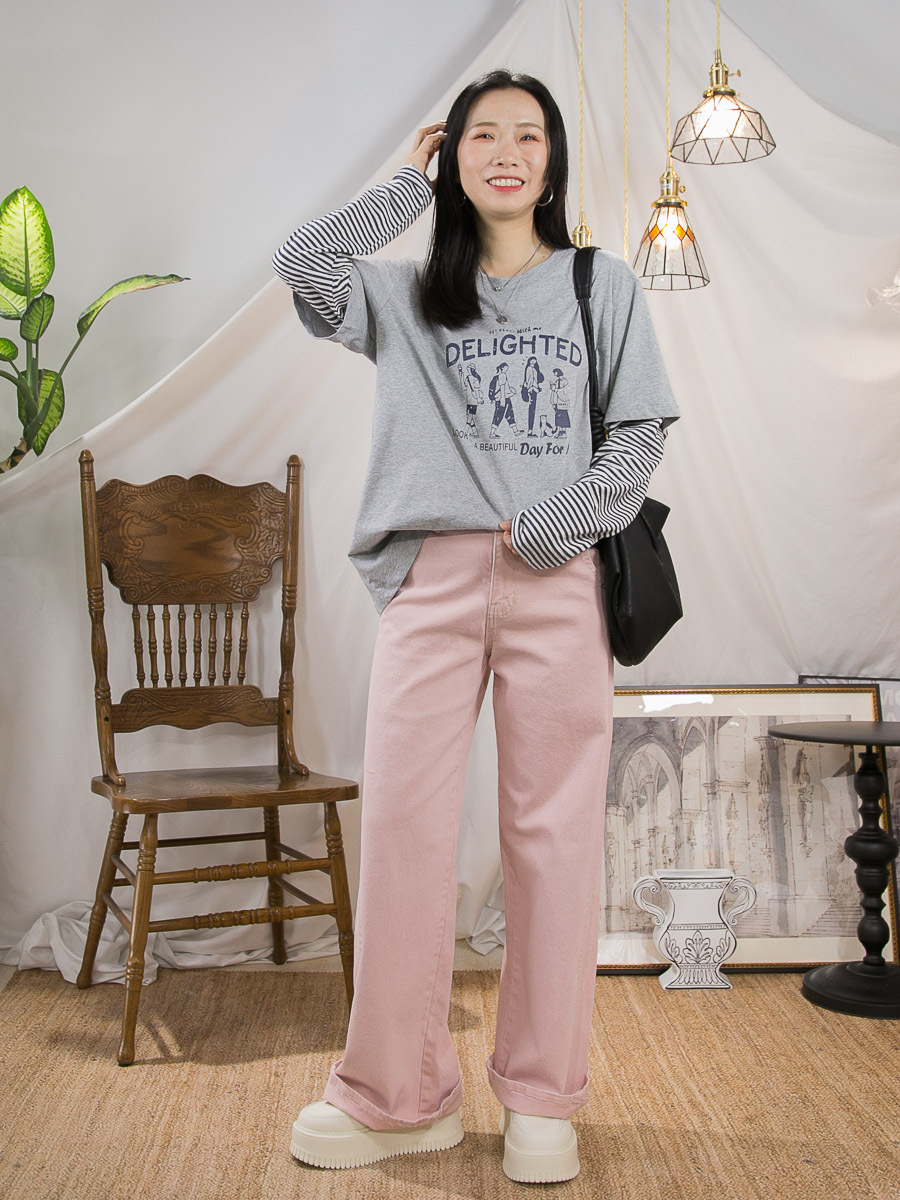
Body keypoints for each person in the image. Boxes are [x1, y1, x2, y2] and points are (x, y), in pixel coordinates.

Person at [272, 68, 678, 1184]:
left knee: (554, 838)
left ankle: (543, 1097)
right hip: (432, 581)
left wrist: (559, 521)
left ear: (553, 161)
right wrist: (408, 188)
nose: (507, 151)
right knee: (404, 832)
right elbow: (304, 264)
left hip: (558, 577)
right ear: (453, 157)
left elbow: (639, 432)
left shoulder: (599, 283)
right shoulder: (407, 294)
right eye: (481, 135)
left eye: (528, 136)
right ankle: (397, 1096)